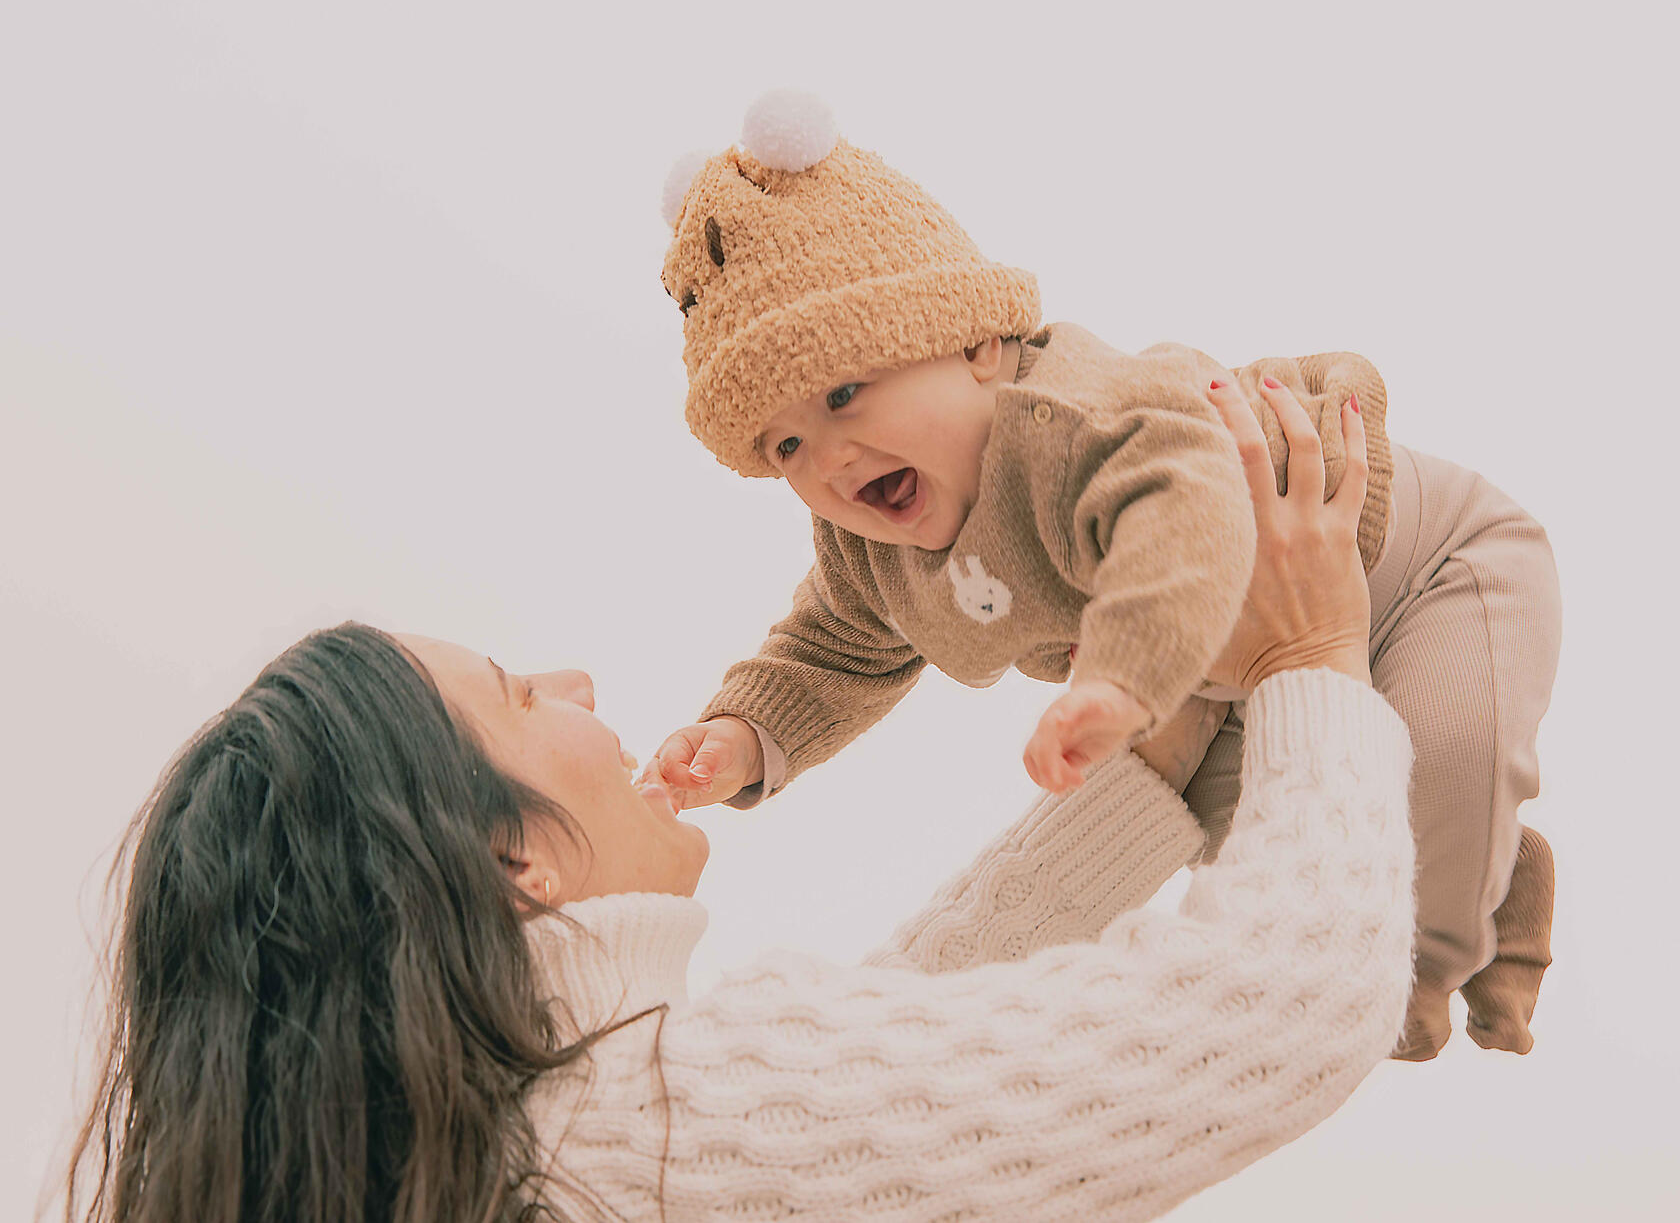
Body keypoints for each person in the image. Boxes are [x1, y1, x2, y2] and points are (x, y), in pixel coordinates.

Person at [68, 386, 1415, 1222]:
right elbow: (1272, 1009)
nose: (577, 680)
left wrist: (1162, 751)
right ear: (510, 858)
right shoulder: (647, 1133)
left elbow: (883, 1072)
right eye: (521, 699)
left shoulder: (557, 1152)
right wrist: (1308, 662)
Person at [647, 90, 1562, 1060]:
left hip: (1424, 569)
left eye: (843, 392)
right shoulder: (872, 555)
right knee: (1251, 844)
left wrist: (1120, 680)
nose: (829, 455)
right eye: (787, 441)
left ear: (978, 346)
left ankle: (1433, 954)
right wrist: (744, 736)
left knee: (1450, 747)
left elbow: (1183, 516)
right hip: (1233, 677)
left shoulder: (1070, 418)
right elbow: (827, 650)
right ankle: (1497, 876)